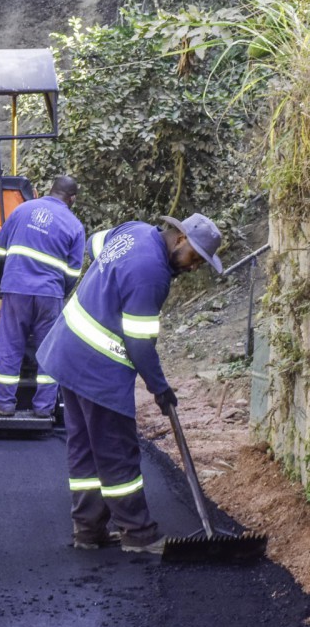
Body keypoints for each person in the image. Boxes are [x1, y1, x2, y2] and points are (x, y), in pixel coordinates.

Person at [36, 212, 224, 554]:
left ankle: (88, 530)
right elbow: (139, 342)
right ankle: (139, 534)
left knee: (84, 448)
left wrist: (107, 287)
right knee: (117, 451)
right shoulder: (152, 274)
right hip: (97, 369)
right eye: (195, 257)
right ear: (180, 239)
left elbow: (95, 243)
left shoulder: (133, 231)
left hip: (67, 352)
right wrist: (160, 388)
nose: (195, 267)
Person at [0, 176, 84, 418]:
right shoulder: (74, 225)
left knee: (10, 346)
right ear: (73, 199)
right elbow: (73, 272)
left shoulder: (22, 210)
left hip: (16, 290)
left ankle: (5, 404)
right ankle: (43, 408)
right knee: (48, 352)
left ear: (49, 190)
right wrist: (60, 293)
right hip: (50, 295)